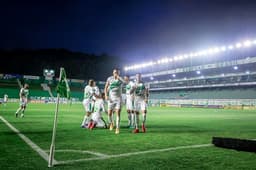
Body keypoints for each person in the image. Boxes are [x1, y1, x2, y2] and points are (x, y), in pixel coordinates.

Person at [104, 68, 124, 134]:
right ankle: (111, 123)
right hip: (111, 98)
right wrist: (106, 95)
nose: (116, 73)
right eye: (115, 72)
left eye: (117, 72)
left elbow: (125, 82)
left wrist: (118, 77)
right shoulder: (109, 79)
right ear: (113, 72)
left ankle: (117, 128)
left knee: (118, 113)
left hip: (119, 99)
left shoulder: (120, 79)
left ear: (119, 73)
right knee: (109, 113)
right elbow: (106, 87)